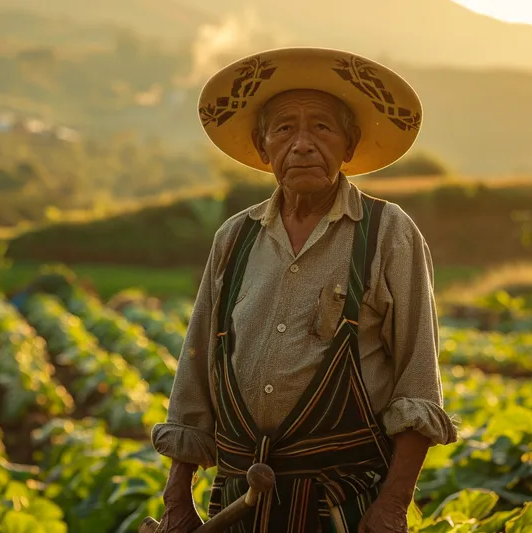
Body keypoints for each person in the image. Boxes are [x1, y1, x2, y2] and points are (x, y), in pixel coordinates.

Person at [151, 46, 459, 533]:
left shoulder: (387, 232)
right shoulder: (234, 237)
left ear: (348, 147)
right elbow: (194, 372)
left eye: (322, 127)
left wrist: (394, 505)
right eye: (284, 129)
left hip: (343, 504)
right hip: (235, 504)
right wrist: (176, 499)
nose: (302, 144)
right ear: (263, 147)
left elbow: (418, 381)